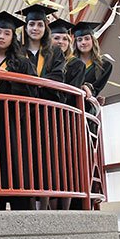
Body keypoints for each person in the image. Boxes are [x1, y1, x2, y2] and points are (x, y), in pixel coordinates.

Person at [0, 11, 37, 211]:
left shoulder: (22, 63)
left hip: (14, 122)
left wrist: (9, 80)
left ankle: (21, 204)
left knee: (16, 161)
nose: (1, 37)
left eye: (6, 33)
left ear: (13, 37)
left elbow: (32, 91)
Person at [18, 4, 66, 210]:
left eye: (39, 24)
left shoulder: (54, 51)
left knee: (46, 158)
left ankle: (44, 203)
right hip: (22, 113)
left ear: (45, 27)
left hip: (46, 112)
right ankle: (29, 203)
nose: (35, 28)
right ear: (25, 27)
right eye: (31, 24)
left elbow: (58, 77)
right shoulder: (18, 51)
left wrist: (35, 83)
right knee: (25, 157)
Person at [47, 18, 85, 211]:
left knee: (64, 163)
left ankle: (65, 206)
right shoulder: (45, 60)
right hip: (46, 118)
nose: (60, 42)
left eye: (64, 38)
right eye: (56, 37)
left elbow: (71, 90)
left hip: (65, 119)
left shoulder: (76, 64)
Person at [73, 21, 112, 105]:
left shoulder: (105, 66)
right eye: (79, 40)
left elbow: (96, 88)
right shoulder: (70, 64)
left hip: (86, 104)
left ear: (93, 41)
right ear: (76, 43)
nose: (83, 42)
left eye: (87, 39)